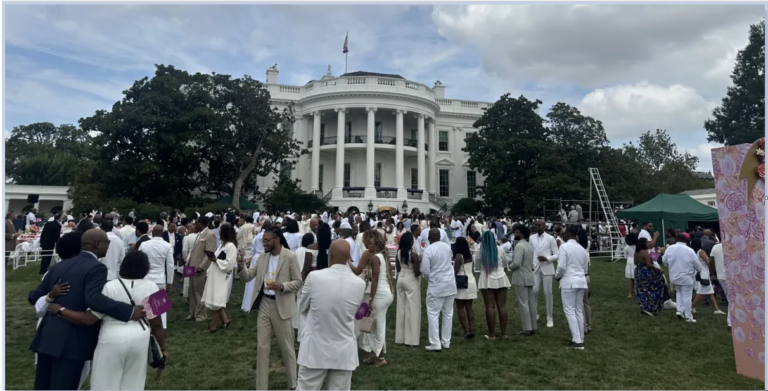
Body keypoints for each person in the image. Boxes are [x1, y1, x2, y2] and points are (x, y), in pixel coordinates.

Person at [29, 229, 145, 390]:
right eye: (107, 243)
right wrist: (130, 311)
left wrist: (51, 297)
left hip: (47, 336)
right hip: (72, 340)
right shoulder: (96, 267)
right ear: (97, 244)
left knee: (43, 385)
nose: (108, 246)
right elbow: (94, 299)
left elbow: (33, 297)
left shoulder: (58, 266)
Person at [50, 250, 167, 390]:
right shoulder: (154, 288)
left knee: (105, 382)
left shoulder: (107, 287)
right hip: (140, 336)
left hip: (112, 335)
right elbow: (157, 323)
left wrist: (60, 310)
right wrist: (163, 348)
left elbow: (88, 319)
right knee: (134, 382)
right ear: (146, 268)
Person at [296, 239, 366, 390]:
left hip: (315, 347)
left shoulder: (315, 277)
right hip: (343, 349)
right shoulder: (359, 284)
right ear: (348, 258)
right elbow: (354, 312)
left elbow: (302, 307)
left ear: (331, 256)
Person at [238, 226, 302, 390]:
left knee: (287, 347)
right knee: (262, 347)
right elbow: (247, 277)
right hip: (265, 303)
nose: (263, 243)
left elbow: (298, 281)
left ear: (276, 240)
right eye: (262, 240)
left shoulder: (290, 257)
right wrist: (240, 265)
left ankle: (293, 384)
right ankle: (261, 387)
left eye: (266, 240)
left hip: (282, 305)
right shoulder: (261, 258)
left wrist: (282, 286)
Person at [348, 230, 394, 367]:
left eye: (369, 243)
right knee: (377, 325)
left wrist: (371, 299)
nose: (367, 245)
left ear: (375, 243)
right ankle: (375, 354)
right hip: (386, 293)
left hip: (379, 294)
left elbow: (375, 279)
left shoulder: (374, 258)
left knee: (378, 327)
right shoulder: (381, 255)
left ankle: (380, 358)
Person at [420, 228, 457, 351]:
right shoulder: (447, 247)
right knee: (448, 313)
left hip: (436, 285)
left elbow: (425, 270)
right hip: (450, 283)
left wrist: (430, 279)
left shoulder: (429, 250)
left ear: (429, 238)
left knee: (433, 313)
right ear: (440, 236)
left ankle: (435, 342)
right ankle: (446, 341)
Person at [555, 225, 589, 350]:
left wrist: (557, 276)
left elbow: (562, 266)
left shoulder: (564, 247)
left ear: (568, 234)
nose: (563, 234)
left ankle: (577, 340)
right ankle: (580, 338)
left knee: (569, 310)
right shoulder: (582, 249)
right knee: (578, 310)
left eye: (564, 232)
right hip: (581, 281)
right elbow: (585, 268)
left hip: (569, 281)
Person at [201, 223, 238, 332]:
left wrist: (216, 260)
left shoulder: (231, 246)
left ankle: (213, 326)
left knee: (217, 301)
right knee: (216, 299)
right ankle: (225, 320)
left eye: (221, 231)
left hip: (221, 276)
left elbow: (228, 263)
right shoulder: (223, 244)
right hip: (215, 273)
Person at [475, 230, 510, 339]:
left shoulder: (480, 252)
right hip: (501, 278)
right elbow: (505, 262)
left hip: (487, 279)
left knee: (490, 307)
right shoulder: (500, 249)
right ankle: (504, 333)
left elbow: (476, 265)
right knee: (502, 306)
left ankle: (492, 335)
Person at [138, 225, 174, 328]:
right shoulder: (167, 246)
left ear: (152, 232)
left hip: (146, 278)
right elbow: (170, 266)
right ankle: (161, 326)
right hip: (160, 278)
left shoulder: (144, 244)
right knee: (160, 305)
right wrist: (170, 281)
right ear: (162, 233)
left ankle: (146, 324)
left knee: (146, 303)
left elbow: (140, 262)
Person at [664, 234, 703, 322]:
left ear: (675, 239)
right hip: (687, 276)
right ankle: (688, 316)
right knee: (687, 296)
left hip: (674, 276)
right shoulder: (689, 250)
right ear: (685, 240)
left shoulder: (670, 248)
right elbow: (698, 265)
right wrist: (698, 270)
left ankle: (679, 310)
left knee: (679, 292)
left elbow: (664, 261)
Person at [186, 216, 216, 321]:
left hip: (199, 268)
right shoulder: (198, 234)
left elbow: (209, 253)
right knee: (191, 291)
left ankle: (201, 314)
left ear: (201, 223)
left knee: (199, 292)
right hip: (191, 266)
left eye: (196, 223)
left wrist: (202, 267)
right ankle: (192, 313)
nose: (194, 225)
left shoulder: (210, 234)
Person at [395, 232, 422, 346]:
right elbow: (416, 272)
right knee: (413, 310)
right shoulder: (414, 255)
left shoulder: (398, 252)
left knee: (401, 309)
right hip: (411, 280)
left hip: (401, 279)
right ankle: (411, 339)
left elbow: (398, 268)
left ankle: (400, 338)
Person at [530, 219, 558, 328]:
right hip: (535, 268)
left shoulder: (550, 238)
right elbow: (531, 252)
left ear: (544, 226)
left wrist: (546, 258)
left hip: (547, 268)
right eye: (536, 225)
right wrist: (530, 264)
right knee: (534, 291)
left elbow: (557, 254)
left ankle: (549, 318)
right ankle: (535, 314)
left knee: (548, 293)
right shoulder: (531, 238)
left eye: (540, 225)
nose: (538, 227)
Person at [510, 224, 536, 336]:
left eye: (517, 232)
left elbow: (516, 263)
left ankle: (527, 328)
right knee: (531, 303)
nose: (515, 234)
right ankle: (533, 326)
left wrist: (509, 266)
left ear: (521, 233)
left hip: (521, 277)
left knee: (523, 303)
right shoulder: (529, 245)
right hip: (529, 275)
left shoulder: (519, 246)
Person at [634, 237, 671, 316]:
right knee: (655, 286)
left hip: (638, 272)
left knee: (642, 289)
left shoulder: (636, 252)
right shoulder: (644, 251)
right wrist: (658, 270)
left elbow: (635, 262)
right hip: (646, 272)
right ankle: (650, 306)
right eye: (647, 242)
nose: (649, 244)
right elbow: (648, 264)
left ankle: (643, 306)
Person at [690, 238, 725, 316]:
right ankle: (691, 307)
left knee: (710, 292)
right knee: (701, 293)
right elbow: (708, 262)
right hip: (704, 274)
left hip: (700, 273)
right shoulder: (701, 252)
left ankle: (716, 309)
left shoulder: (694, 252)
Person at [295, 233, 319, 337]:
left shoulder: (298, 251)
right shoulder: (312, 251)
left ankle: (300, 330)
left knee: (301, 305)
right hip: (307, 278)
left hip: (300, 278)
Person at [452, 237, 476, 339]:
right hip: (470, 280)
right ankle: (471, 328)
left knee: (460, 307)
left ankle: (466, 330)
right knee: (469, 307)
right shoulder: (469, 254)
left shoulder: (458, 256)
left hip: (461, 282)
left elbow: (455, 271)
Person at [711, 242, 730, 328]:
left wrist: (712, 274)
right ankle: (730, 322)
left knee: (731, 299)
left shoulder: (715, 247)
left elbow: (711, 261)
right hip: (730, 276)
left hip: (721, 276)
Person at [624, 233, 638, 299]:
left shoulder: (627, 247)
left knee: (631, 279)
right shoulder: (638, 246)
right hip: (636, 261)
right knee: (638, 279)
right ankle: (638, 292)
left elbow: (625, 256)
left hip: (629, 261)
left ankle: (630, 293)